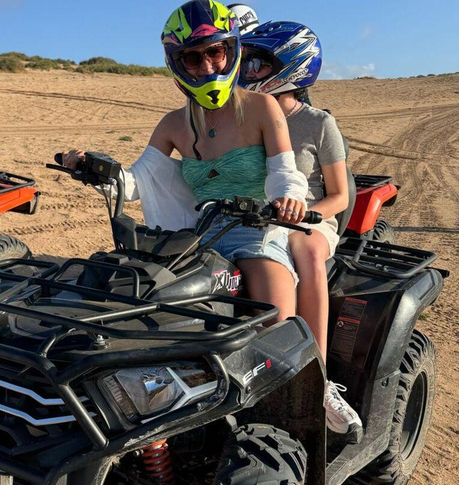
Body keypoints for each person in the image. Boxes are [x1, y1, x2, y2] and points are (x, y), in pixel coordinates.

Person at [63, 0, 308, 323]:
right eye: (192, 58)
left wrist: (288, 198)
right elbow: (136, 182)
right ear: (177, 65)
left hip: (258, 233)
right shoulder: (173, 125)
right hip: (198, 239)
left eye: (215, 52)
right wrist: (93, 168)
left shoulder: (262, 108)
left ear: (232, 52)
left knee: (276, 322)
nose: (206, 67)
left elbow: (283, 171)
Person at [240, 21, 362, 437]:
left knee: (304, 250)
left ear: (292, 65)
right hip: (254, 217)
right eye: (246, 61)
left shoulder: (317, 123)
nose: (248, 71)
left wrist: (305, 216)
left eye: (257, 62)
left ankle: (319, 378)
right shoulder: (244, 115)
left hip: (310, 219)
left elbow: (341, 195)